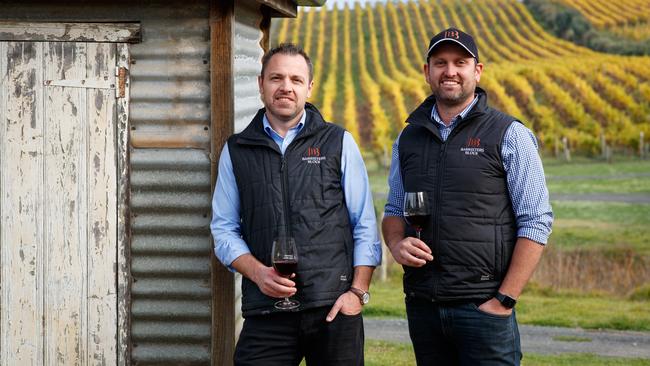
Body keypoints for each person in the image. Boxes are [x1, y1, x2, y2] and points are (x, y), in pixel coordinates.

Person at [382, 27, 553, 365]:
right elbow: (394, 209)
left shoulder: (509, 134)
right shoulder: (409, 138)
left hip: (483, 309)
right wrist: (396, 244)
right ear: (427, 71)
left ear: (477, 70)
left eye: (460, 62)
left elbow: (536, 221)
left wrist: (504, 299)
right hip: (423, 307)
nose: (450, 71)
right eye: (440, 62)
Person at [210, 43, 381, 366]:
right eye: (276, 78)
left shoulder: (338, 141)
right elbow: (223, 229)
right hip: (267, 309)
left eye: (296, 79)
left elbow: (364, 224)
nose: (286, 87)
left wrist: (357, 293)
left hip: (332, 308)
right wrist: (259, 274)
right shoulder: (237, 150)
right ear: (260, 84)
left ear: (309, 87)